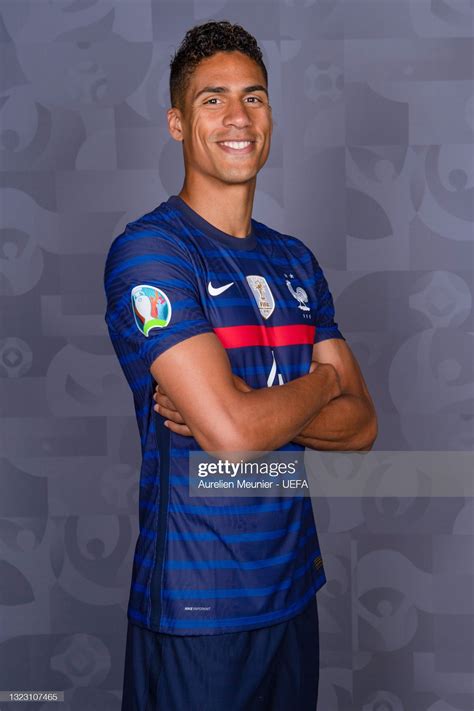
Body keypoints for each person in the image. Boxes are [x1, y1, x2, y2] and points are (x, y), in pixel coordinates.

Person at [104, 20, 377, 711]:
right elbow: (229, 434)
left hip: (292, 593)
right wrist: (320, 384)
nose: (237, 118)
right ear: (176, 122)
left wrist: (254, 409)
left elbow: (364, 424)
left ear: (271, 116)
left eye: (253, 98)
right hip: (198, 610)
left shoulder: (295, 260)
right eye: (212, 99)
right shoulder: (150, 254)